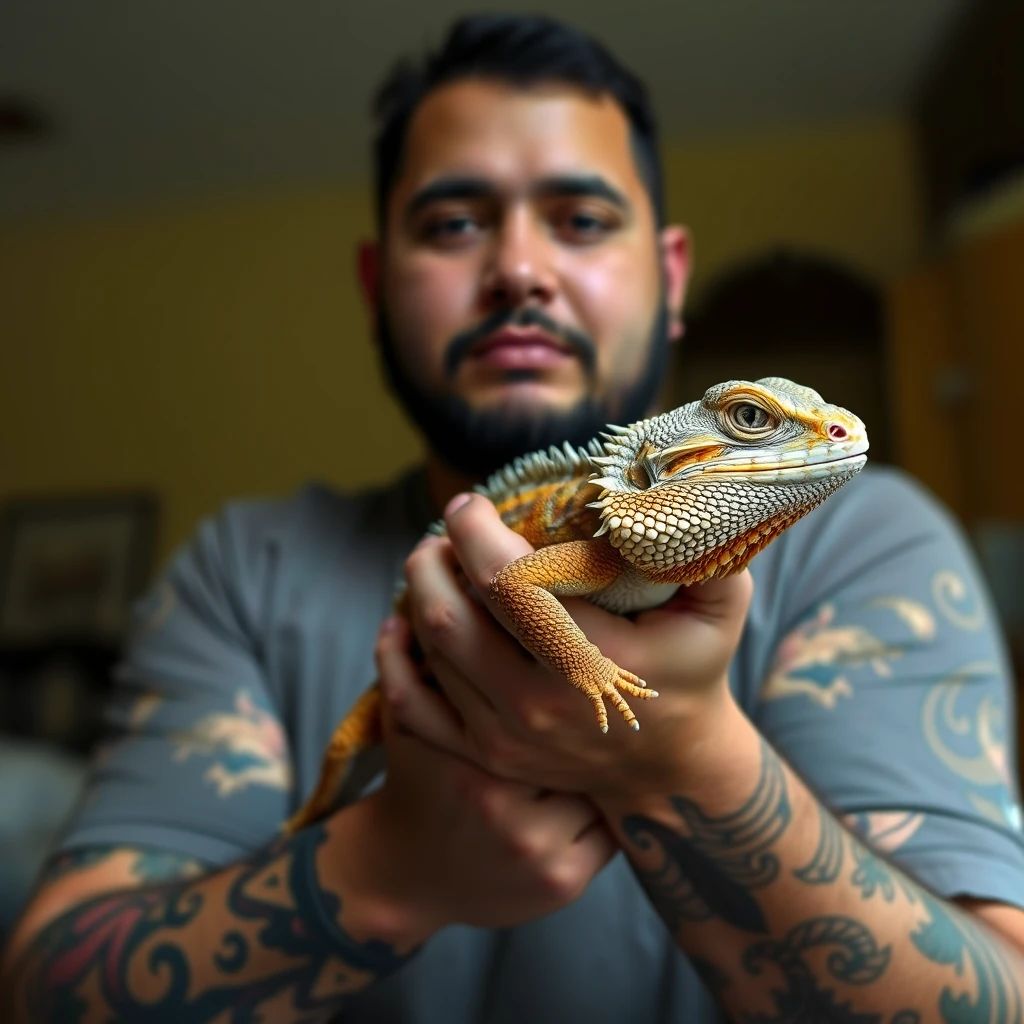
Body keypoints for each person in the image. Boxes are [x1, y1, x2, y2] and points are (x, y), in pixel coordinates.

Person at [3, 13, 1024, 1023]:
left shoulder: (868, 542)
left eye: (582, 219)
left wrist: (685, 760)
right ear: (374, 283)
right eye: (453, 223)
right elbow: (44, 987)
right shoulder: (239, 569)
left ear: (671, 278)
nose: (520, 267)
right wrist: (386, 861)